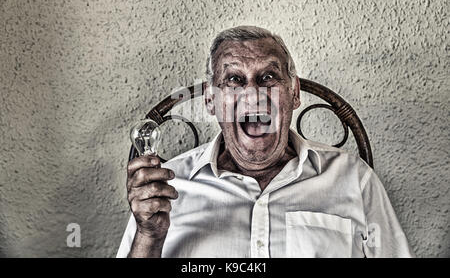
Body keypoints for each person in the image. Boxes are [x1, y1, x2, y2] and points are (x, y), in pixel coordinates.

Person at [117, 26, 414, 258]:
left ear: (294, 93)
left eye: (268, 77)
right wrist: (149, 236)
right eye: (234, 80)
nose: (253, 94)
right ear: (211, 100)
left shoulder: (353, 178)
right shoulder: (167, 188)